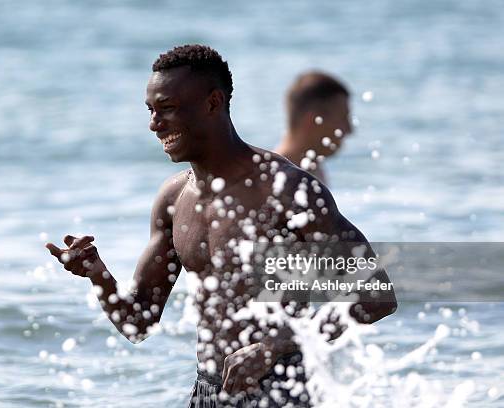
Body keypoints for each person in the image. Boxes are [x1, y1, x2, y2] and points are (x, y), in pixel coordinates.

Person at [46, 45, 396, 407]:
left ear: (213, 103)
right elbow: (138, 322)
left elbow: (377, 295)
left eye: (166, 109)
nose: (154, 124)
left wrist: (273, 347)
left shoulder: (286, 189)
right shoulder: (174, 199)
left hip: (281, 391)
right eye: (150, 111)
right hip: (206, 392)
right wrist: (97, 275)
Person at [274, 71, 353, 185]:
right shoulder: (277, 178)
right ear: (314, 121)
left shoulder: (313, 169)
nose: (350, 130)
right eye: (343, 118)